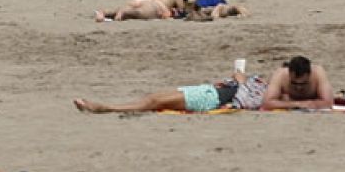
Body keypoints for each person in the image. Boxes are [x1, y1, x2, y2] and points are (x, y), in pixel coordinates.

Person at [74, 64, 267, 115]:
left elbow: (244, 96)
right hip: (209, 91)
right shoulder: (261, 85)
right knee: (153, 98)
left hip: (211, 98)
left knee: (154, 102)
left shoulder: (260, 92)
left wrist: (241, 78)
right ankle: (107, 107)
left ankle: (105, 108)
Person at [261, 56, 333, 110]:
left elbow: (328, 102)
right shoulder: (281, 74)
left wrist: (286, 102)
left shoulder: (318, 73)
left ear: (310, 75)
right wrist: (299, 104)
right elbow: (266, 103)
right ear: (289, 74)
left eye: (303, 83)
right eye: (294, 83)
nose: (299, 88)